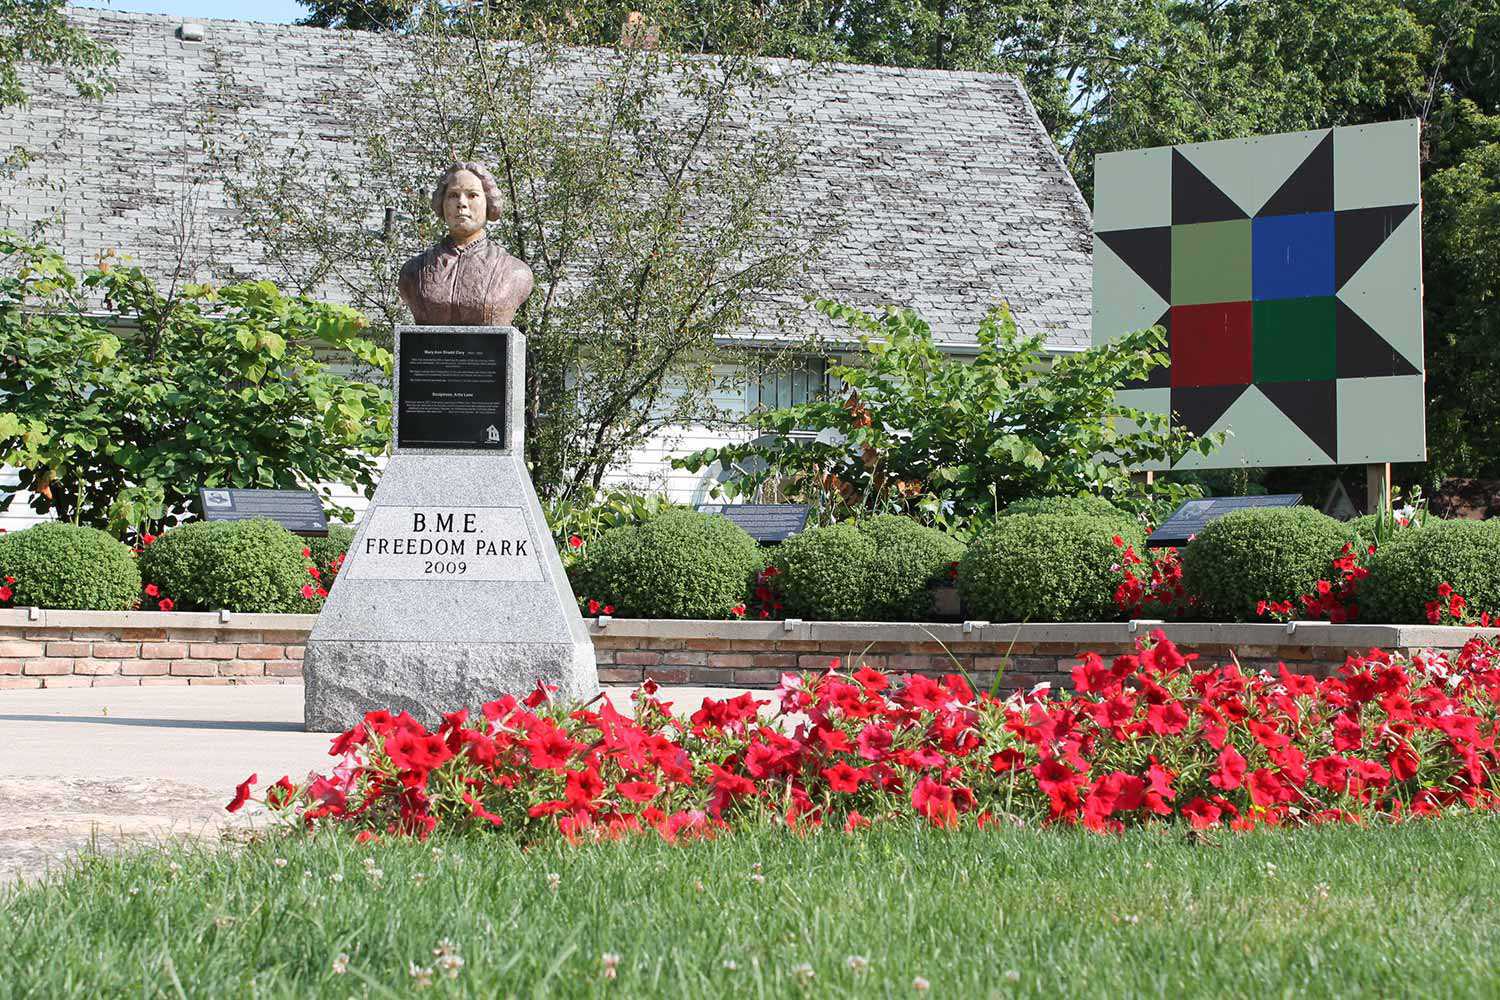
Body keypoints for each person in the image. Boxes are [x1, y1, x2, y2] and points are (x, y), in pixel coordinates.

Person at [397, 162, 534, 326]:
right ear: (442, 204)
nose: (461, 203)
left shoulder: (515, 272)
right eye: (453, 195)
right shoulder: (413, 272)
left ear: (489, 202)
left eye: (472, 195)